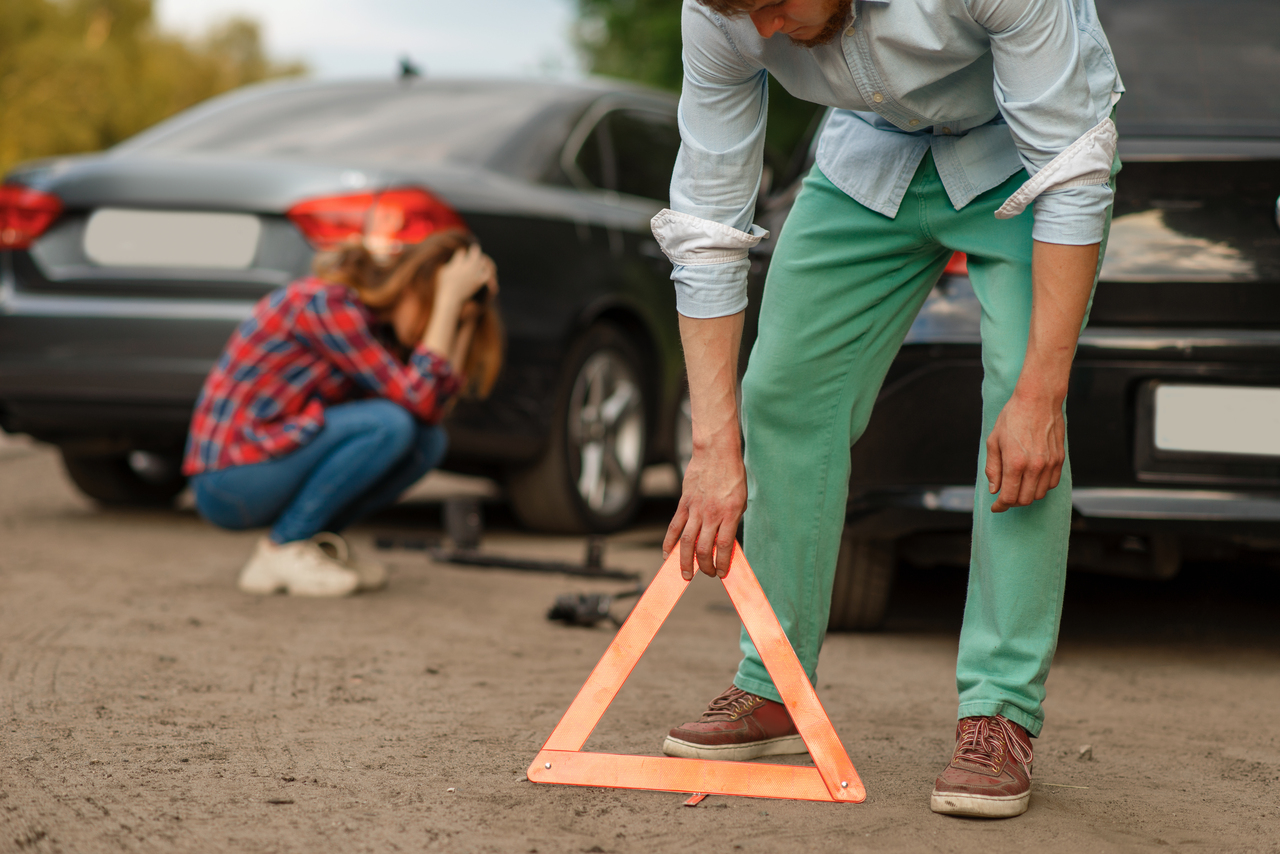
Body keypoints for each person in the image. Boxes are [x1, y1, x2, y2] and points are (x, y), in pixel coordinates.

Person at [652, 0, 1122, 818]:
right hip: (868, 160)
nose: (760, 29)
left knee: (1020, 416)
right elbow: (706, 225)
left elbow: (1075, 173)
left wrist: (1042, 396)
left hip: (1029, 156)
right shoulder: (723, 14)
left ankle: (998, 713)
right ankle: (774, 688)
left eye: (774, 3)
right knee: (780, 394)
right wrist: (711, 447)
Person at [183, 229, 502, 597]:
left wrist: (465, 318)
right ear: (415, 286)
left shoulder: (378, 334)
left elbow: (430, 413)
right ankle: (281, 550)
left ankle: (314, 544)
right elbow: (419, 398)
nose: (435, 332)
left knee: (427, 441)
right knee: (389, 424)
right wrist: (447, 301)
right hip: (227, 479)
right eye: (437, 312)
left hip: (267, 462)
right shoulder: (329, 305)